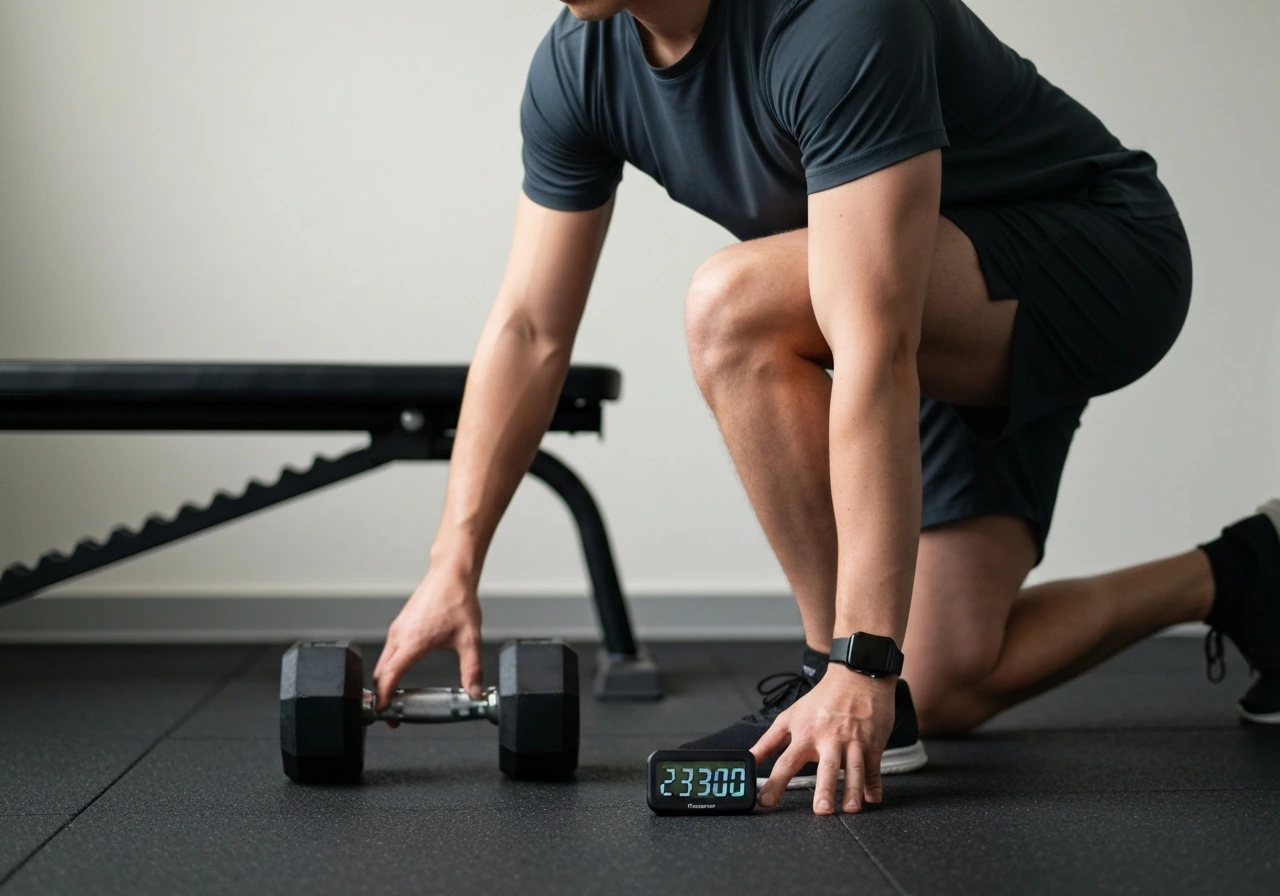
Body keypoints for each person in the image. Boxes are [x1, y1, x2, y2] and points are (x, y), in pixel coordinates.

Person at [371, 0, 1279, 816]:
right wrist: (453, 563)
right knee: (949, 674)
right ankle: (1245, 573)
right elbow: (529, 329)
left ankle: (827, 668)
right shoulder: (578, 62)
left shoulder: (837, 16)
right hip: (912, 307)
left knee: (733, 307)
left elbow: (874, 346)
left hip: (1097, 259)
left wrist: (858, 661)